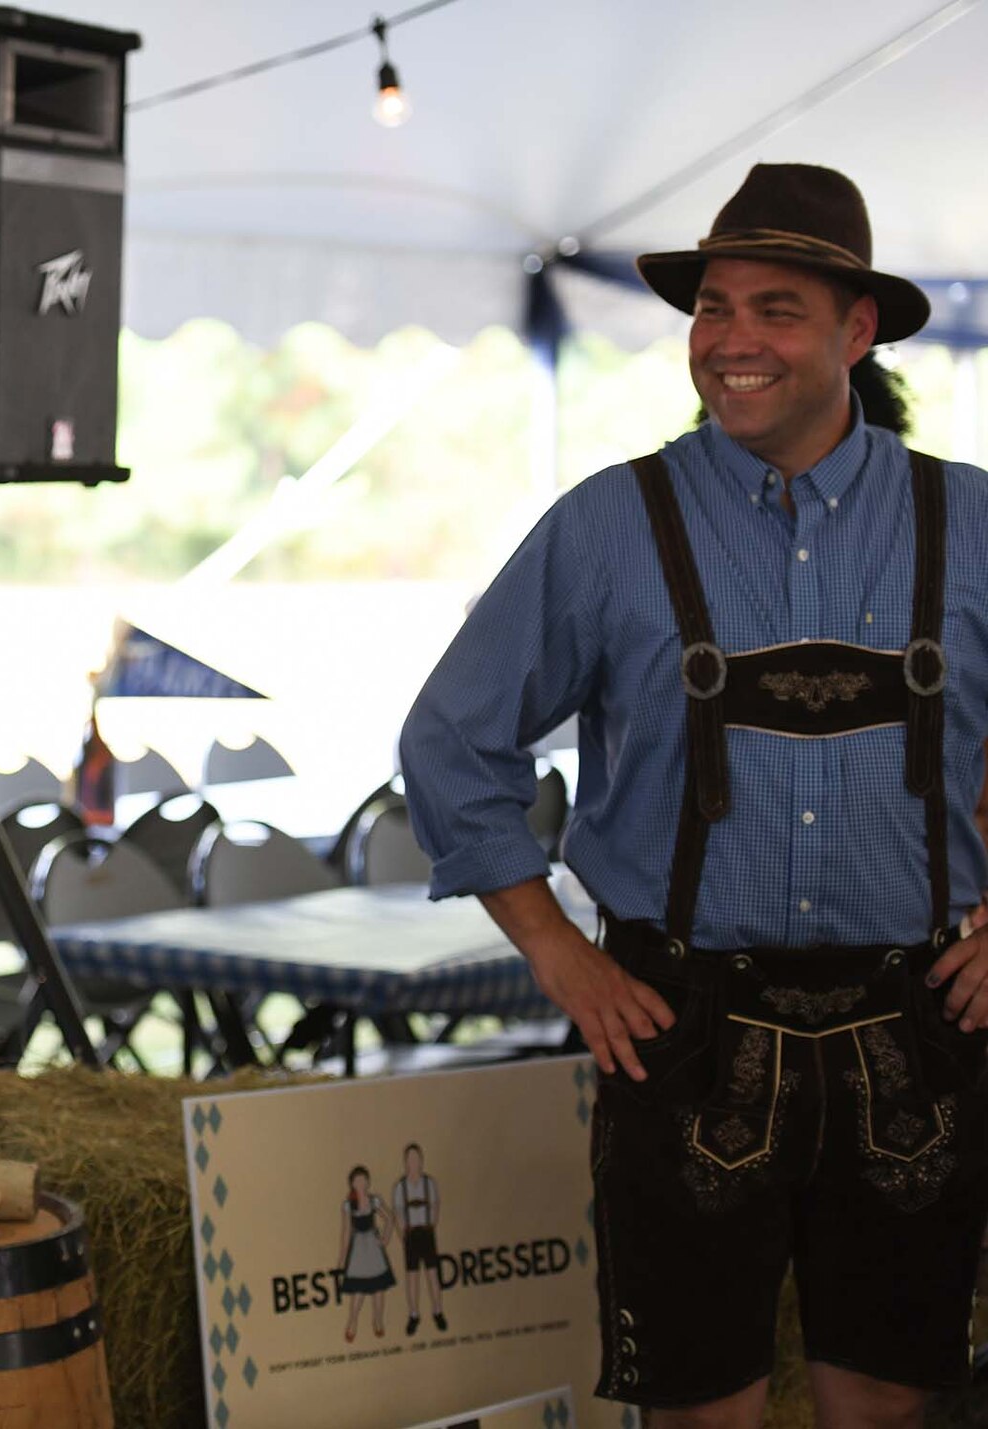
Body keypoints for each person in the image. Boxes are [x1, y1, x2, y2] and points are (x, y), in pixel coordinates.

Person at [399, 163, 988, 1428]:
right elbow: (452, 740)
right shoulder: (611, 525)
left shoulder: (969, 520)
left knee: (885, 1406)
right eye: (710, 308)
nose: (728, 342)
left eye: (773, 309)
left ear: (854, 329)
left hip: (916, 1029)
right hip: (682, 1027)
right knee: (698, 1414)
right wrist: (556, 952)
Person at [390, 1142, 444, 1336]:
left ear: (421, 1161)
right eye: (410, 1159)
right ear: (405, 1162)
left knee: (432, 1274)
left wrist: (433, 1225)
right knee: (412, 1277)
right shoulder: (399, 1187)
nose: (413, 1162)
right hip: (411, 1235)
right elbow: (397, 1213)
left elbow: (436, 1205)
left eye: (416, 1158)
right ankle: (414, 1314)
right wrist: (402, 1235)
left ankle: (438, 1311)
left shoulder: (430, 1183)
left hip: (427, 1233)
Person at [337, 1165, 396, 1343]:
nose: (361, 1183)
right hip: (359, 1250)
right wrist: (342, 1258)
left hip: (373, 1247)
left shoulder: (375, 1200)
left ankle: (378, 1320)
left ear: (368, 1182)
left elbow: (390, 1218)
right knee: (359, 1290)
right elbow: (346, 1232)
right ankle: (352, 1322)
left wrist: (385, 1239)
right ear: (352, 1184)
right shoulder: (348, 1205)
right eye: (357, 1180)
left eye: (364, 1180)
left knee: (379, 1288)